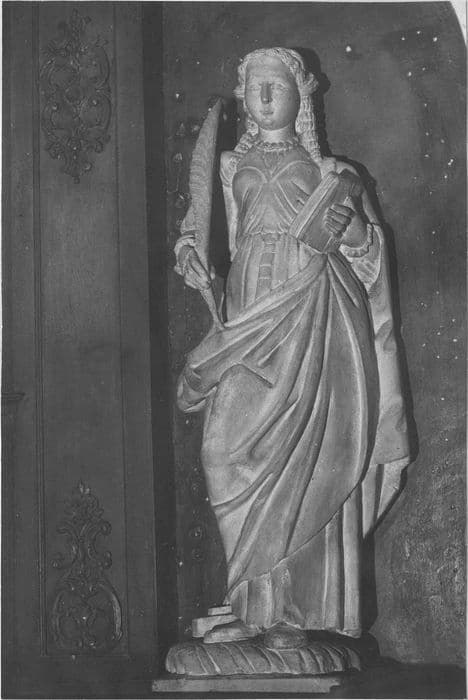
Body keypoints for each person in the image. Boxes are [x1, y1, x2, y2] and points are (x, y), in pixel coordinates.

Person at [174, 47, 410, 650]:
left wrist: (355, 233)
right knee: (222, 451)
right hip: (250, 315)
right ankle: (248, 599)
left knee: (307, 456)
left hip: (315, 313)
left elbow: (370, 257)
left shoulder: (332, 172)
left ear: (300, 94)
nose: (265, 97)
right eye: (255, 87)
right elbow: (208, 231)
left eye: (276, 85)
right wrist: (192, 256)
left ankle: (289, 614)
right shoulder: (230, 165)